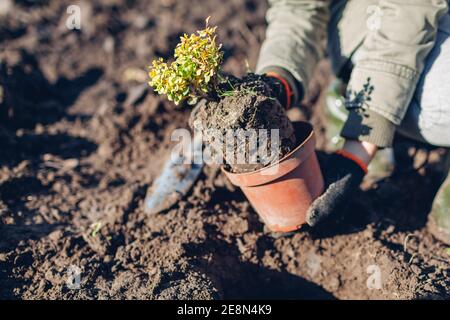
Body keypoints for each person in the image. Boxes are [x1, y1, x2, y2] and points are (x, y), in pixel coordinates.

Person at [256, 0, 450, 244]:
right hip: (377, 17)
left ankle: (380, 111)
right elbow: (297, 7)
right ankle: (357, 95)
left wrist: (356, 153)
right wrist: (277, 81)